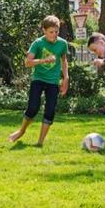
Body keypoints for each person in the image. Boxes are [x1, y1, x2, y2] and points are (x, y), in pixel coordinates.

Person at [8, 15, 69, 147]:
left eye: (56, 32)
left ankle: (40, 142)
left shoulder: (62, 44)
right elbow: (27, 63)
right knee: (33, 108)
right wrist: (44, 60)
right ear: (44, 30)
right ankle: (21, 131)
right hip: (39, 79)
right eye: (51, 32)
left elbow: (64, 61)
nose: (54, 35)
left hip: (53, 82)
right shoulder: (38, 43)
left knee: (50, 111)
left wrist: (66, 79)